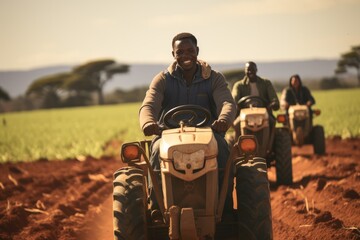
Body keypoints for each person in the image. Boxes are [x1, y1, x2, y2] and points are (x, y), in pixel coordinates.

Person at [139, 32, 237, 219]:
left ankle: (224, 207)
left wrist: (224, 120)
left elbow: (227, 103)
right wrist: (149, 122)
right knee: (156, 150)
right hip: (168, 135)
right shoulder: (162, 79)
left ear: (197, 51)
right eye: (180, 52)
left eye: (190, 51)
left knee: (223, 149)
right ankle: (157, 209)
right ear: (173, 54)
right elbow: (149, 104)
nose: (185, 55)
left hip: (208, 133)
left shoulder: (214, 78)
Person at [231, 61, 280, 138]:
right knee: (236, 124)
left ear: (256, 70)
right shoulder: (239, 85)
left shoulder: (266, 83)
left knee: (272, 122)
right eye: (248, 70)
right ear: (245, 71)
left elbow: (274, 98)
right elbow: (234, 99)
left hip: (264, 113)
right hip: (244, 115)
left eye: (252, 69)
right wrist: (235, 106)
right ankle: (238, 144)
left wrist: (273, 103)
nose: (250, 72)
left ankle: (269, 145)